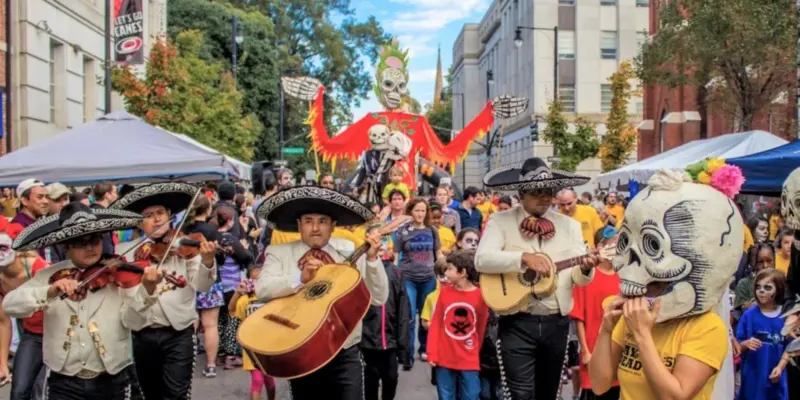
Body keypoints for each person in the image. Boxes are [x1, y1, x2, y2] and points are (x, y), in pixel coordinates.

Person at [589, 167, 743, 400]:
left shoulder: (707, 327)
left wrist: (642, 335)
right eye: (627, 241)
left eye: (652, 245)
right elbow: (600, 384)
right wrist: (606, 328)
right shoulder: (632, 315)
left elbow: (675, 396)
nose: (626, 263)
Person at [476, 157, 599, 400]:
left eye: (548, 191)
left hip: (556, 322)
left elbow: (578, 277)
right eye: (537, 192)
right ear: (521, 194)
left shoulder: (570, 227)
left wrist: (586, 268)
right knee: (520, 395)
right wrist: (522, 258)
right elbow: (481, 259)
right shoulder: (501, 221)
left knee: (549, 392)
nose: (544, 197)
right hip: (516, 320)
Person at [2, 201, 152, 399]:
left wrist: (147, 291)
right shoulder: (49, 274)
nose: (90, 247)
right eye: (81, 242)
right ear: (66, 246)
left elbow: (135, 322)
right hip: (63, 380)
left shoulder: (116, 273)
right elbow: (11, 304)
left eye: (95, 240)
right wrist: (49, 291)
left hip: (111, 378)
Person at [254, 186, 389, 400]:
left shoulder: (349, 251)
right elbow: (262, 289)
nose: (315, 228)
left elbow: (379, 297)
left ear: (333, 226)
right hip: (302, 352)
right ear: (299, 224)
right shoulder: (279, 252)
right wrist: (300, 279)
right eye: (308, 221)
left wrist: (372, 260)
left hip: (345, 353)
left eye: (323, 221)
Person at [110, 182, 218, 400]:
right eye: (149, 215)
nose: (157, 219)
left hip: (178, 331)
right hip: (142, 333)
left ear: (170, 215)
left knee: (176, 395)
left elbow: (203, 285)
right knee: (149, 394)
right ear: (140, 223)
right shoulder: (126, 253)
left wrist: (207, 261)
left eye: (161, 213)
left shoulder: (184, 246)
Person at [428, 249, 489, 400]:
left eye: (449, 269)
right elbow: (436, 323)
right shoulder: (445, 292)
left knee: (472, 394)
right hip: (444, 356)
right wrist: (432, 352)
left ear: (462, 273)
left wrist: (475, 348)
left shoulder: (481, 296)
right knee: (445, 395)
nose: (446, 272)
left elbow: (481, 327)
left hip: (469, 356)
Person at [569, 226, 621, 400]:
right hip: (593, 350)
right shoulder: (587, 276)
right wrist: (584, 350)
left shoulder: (624, 277)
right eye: (613, 245)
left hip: (618, 352)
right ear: (601, 246)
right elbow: (579, 318)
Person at [359, 227, 410, 400]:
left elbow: (403, 310)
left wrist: (403, 346)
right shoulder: (360, 268)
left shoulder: (396, 272)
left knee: (391, 378)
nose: (378, 244)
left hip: (389, 341)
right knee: (369, 382)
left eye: (382, 239)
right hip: (367, 341)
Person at [737, 268, 790, 399]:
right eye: (758, 287)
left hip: (776, 376)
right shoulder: (749, 315)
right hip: (753, 378)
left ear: (778, 289)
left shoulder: (785, 317)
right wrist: (746, 343)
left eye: (767, 287)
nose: (761, 291)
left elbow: (790, 347)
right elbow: (737, 345)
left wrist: (780, 366)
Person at [229, 265, 276, 400]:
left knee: (269, 379)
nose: (257, 284)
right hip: (251, 347)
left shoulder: (272, 297)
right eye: (253, 280)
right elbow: (231, 309)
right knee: (257, 380)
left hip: (269, 346)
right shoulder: (244, 300)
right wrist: (237, 293)